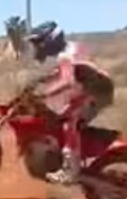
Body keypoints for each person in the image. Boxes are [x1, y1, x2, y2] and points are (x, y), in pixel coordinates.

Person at [24, 20, 115, 186]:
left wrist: (44, 95)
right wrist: (42, 80)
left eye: (38, 42)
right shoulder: (70, 48)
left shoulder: (65, 54)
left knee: (68, 122)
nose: (37, 47)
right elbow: (70, 71)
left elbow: (67, 81)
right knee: (60, 118)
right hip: (95, 88)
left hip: (96, 91)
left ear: (49, 40)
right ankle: (65, 158)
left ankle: (70, 171)